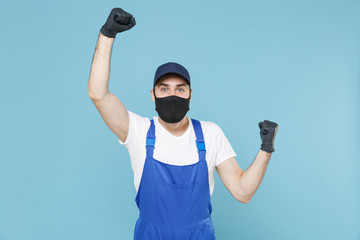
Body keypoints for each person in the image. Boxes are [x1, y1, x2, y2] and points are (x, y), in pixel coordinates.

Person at [88, 8, 279, 240]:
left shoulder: (210, 134)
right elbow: (98, 94)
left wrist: (266, 149)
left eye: (180, 89)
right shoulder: (137, 131)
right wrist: (107, 35)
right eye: (164, 89)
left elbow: (242, 192)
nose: (172, 96)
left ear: (190, 94)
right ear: (153, 95)